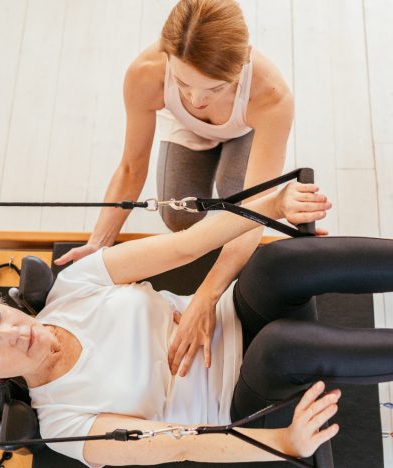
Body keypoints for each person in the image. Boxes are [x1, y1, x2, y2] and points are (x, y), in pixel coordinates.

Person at [0, 181, 393, 467]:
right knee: (280, 349)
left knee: (275, 262)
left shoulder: (73, 287)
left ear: (2, 302)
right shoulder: (63, 425)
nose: (10, 335)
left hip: (229, 316)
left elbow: (189, 246)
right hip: (240, 399)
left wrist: (267, 206)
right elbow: (177, 444)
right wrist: (281, 446)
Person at [54, 0, 296, 381]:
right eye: (183, 83)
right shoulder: (145, 73)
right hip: (188, 133)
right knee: (178, 217)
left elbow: (255, 212)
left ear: (243, 63)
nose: (197, 100)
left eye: (213, 88)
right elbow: (131, 166)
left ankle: (223, 232)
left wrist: (207, 297)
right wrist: (100, 243)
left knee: (235, 206)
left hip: (242, 129)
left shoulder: (271, 95)